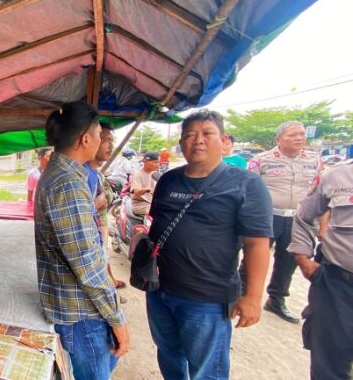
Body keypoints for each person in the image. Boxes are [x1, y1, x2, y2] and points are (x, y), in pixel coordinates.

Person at [147, 110, 272, 379]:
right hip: (159, 289)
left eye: (207, 133)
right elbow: (155, 224)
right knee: (168, 353)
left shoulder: (246, 184)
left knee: (207, 370)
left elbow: (257, 244)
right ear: (181, 143)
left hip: (206, 299)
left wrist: (253, 296)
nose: (198, 141)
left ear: (223, 140)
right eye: (190, 135)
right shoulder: (168, 180)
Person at [35, 101, 129, 379]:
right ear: (85, 139)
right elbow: (87, 263)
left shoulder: (65, 175)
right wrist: (116, 318)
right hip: (81, 313)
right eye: (100, 135)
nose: (102, 141)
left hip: (78, 307)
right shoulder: (68, 183)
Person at [248, 121, 322, 323]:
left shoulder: (314, 160)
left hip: (298, 219)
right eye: (293, 135)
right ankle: (242, 294)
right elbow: (248, 189)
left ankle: (276, 299)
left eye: (302, 134)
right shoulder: (262, 160)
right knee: (253, 256)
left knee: (288, 262)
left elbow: (319, 192)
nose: (299, 138)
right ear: (278, 140)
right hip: (268, 216)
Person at [288, 159, 353, 380]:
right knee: (329, 365)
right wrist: (302, 257)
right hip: (337, 285)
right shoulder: (337, 175)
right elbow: (304, 216)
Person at [85, 123, 128, 298]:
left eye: (112, 140)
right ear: (87, 140)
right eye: (105, 139)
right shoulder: (83, 174)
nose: (111, 145)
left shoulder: (96, 174)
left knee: (104, 258)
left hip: (98, 226)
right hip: (92, 234)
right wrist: (96, 203)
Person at [130, 152, 159, 216]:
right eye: (155, 162)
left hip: (151, 203)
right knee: (159, 213)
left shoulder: (155, 174)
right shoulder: (138, 174)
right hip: (140, 205)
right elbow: (136, 192)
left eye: (158, 162)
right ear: (146, 162)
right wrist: (148, 190)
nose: (157, 165)